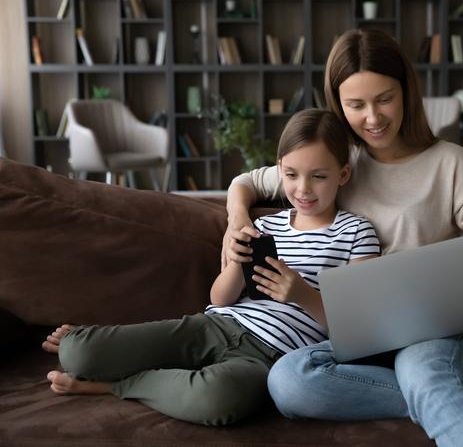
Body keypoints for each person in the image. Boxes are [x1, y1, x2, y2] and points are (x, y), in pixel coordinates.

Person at [221, 29, 463, 446]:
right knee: (289, 380)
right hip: (365, 331)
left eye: (384, 99)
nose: (373, 118)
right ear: (338, 105)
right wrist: (237, 219)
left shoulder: (450, 163)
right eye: (356, 105)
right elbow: (246, 182)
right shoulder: (336, 164)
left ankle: (440, 389)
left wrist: (425, 285)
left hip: (437, 325)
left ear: (406, 93)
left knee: (422, 373)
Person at [42, 108, 381, 426]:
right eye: (291, 175)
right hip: (215, 326)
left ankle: (118, 385)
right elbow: (219, 298)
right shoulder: (269, 226)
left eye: (318, 176)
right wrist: (236, 262)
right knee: (77, 352)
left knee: (219, 400)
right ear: (280, 170)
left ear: (343, 174)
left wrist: (302, 294)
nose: (303, 189)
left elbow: (358, 328)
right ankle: (101, 360)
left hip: (269, 357)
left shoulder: (356, 232)